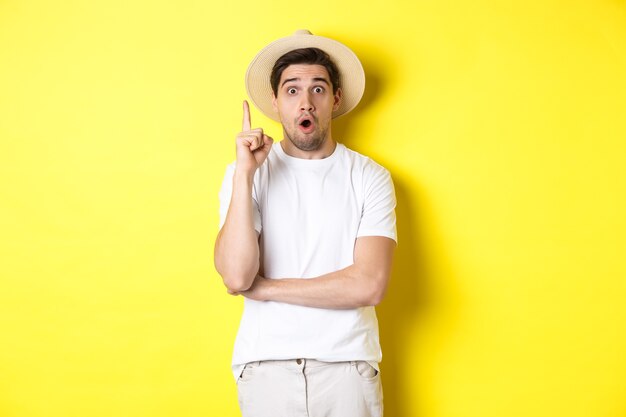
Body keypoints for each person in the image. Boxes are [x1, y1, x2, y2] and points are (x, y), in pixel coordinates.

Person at [214, 29, 397, 417]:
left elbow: (370, 283)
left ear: (335, 98)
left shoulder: (369, 176)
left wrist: (265, 289)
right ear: (276, 103)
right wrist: (245, 175)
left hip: (347, 366)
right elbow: (235, 276)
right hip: (265, 368)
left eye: (318, 88)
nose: (306, 103)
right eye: (292, 90)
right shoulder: (244, 174)